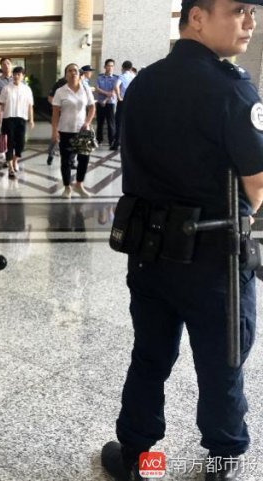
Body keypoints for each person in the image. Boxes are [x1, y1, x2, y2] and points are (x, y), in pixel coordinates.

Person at [101, 1, 263, 480]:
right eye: (237, 10)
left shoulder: (144, 83)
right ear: (197, 17)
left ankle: (135, 456)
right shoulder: (233, 88)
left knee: (150, 356)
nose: (250, 21)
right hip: (214, 260)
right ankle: (221, 459)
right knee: (221, 364)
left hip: (148, 251)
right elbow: (257, 184)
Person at [51, 63, 95, 198]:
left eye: (75, 70)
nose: (73, 73)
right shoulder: (60, 91)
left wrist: (87, 122)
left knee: (84, 159)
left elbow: (92, 107)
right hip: (65, 130)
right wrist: (54, 131)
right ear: (66, 75)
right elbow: (55, 113)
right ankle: (67, 187)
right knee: (66, 161)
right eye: (69, 71)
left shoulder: (85, 89)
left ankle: (79, 185)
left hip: (83, 130)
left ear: (80, 74)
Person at [0, 66, 35, 178]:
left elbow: (30, 106)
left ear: (23, 76)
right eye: (14, 74)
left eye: (19, 74)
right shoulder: (6, 88)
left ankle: (15, 160)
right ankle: (10, 167)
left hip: (21, 119)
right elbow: (1, 104)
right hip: (8, 118)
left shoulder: (27, 89)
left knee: (21, 143)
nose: (16, 76)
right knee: (9, 143)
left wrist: (31, 119)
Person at [110, 60, 135, 150]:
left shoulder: (122, 76)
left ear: (123, 68)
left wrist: (119, 96)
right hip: (131, 102)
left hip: (123, 101)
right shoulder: (134, 76)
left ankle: (117, 143)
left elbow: (116, 86)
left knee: (119, 122)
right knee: (130, 122)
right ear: (131, 68)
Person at [94, 58, 118, 146]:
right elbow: (97, 89)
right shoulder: (99, 77)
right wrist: (106, 94)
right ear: (105, 67)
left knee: (110, 123)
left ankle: (111, 141)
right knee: (99, 122)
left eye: (112, 66)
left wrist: (105, 100)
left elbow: (114, 91)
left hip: (110, 103)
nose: (110, 67)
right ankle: (99, 140)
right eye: (108, 66)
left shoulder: (116, 78)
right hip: (100, 103)